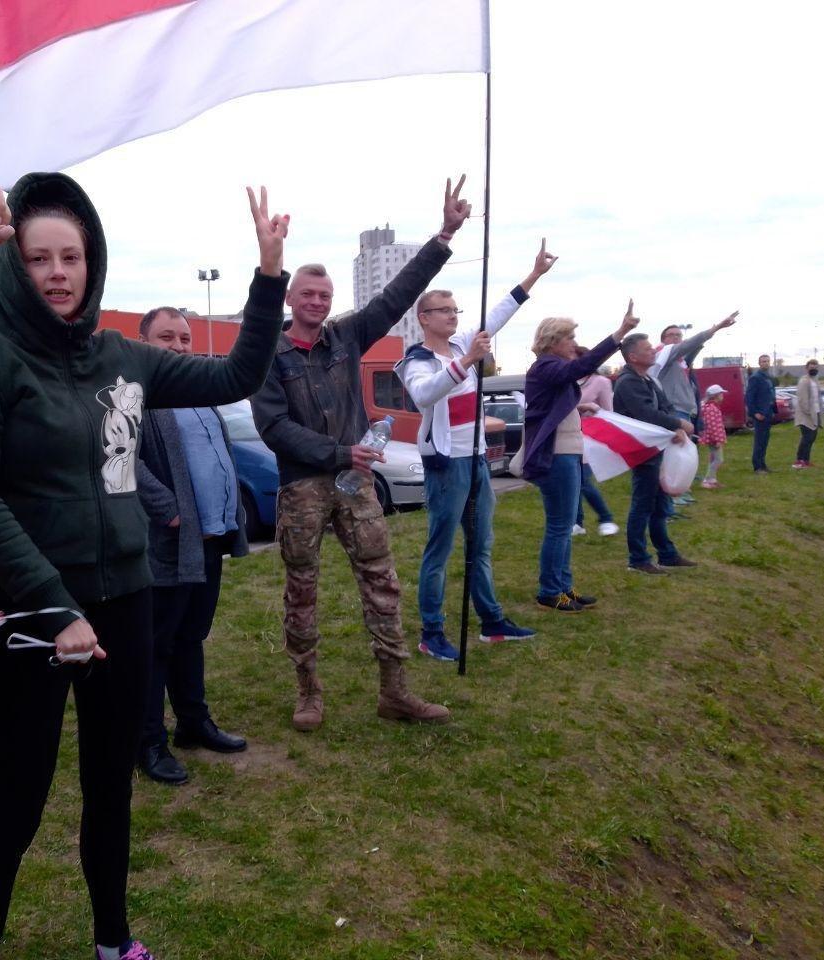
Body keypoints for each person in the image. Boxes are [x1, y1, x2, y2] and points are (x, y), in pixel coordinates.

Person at [0, 180, 290, 960]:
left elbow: (233, 377)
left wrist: (268, 280)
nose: (58, 273)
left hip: (127, 601)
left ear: (92, 262)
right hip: (30, 618)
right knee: (15, 810)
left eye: (72, 256)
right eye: (37, 259)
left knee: (111, 788)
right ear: (12, 266)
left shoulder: (125, 358)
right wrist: (56, 606)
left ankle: (113, 942)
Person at [252, 175, 473, 731]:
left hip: (355, 486)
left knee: (381, 582)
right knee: (301, 592)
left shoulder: (347, 336)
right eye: (308, 295)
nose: (318, 302)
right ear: (289, 298)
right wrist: (340, 451)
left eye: (325, 297)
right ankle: (308, 691)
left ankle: (395, 690)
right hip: (303, 487)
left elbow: (397, 294)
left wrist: (443, 236)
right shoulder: (266, 354)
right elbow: (273, 427)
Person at [396, 240, 554, 660]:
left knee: (481, 545)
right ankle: (432, 632)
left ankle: (492, 622)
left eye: (455, 310)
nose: (453, 315)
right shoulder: (417, 359)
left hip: (476, 462)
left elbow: (499, 313)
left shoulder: (465, 340)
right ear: (424, 318)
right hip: (446, 467)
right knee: (440, 549)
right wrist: (466, 361)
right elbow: (424, 395)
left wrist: (533, 275)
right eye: (444, 309)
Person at [134, 306, 249, 786]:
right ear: (143, 343)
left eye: (184, 337)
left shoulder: (201, 393)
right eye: (167, 338)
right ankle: (148, 741)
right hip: (167, 541)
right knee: (155, 647)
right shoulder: (134, 394)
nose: (180, 346)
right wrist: (169, 508)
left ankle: (193, 723)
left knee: (191, 637)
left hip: (209, 537)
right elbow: (121, 459)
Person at [520, 304, 641, 611]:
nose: (574, 343)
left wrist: (576, 408)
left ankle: (563, 587)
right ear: (552, 341)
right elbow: (580, 367)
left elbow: (551, 408)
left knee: (563, 526)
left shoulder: (549, 368)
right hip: (558, 456)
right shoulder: (547, 366)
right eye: (569, 338)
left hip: (567, 453)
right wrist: (620, 333)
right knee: (560, 526)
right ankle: (550, 591)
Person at [613, 333, 696, 575]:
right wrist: (678, 425)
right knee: (643, 504)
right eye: (648, 349)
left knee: (661, 504)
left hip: (659, 448)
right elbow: (646, 414)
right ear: (633, 357)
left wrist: (676, 425)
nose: (653, 352)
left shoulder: (647, 379)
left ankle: (667, 554)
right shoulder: (627, 382)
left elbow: (666, 406)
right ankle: (637, 559)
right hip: (643, 450)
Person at [649, 314, 737, 507]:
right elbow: (691, 343)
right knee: (675, 453)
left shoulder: (679, 361)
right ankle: (673, 494)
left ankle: (678, 490)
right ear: (663, 340)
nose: (676, 338)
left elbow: (692, 348)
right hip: (674, 410)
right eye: (671, 335)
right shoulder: (665, 353)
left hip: (684, 410)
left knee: (681, 452)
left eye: (679, 335)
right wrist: (716, 328)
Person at [574, 346, 618, 537]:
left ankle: (606, 518)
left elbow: (609, 413)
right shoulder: (569, 381)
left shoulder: (601, 382)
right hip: (569, 435)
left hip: (589, 437)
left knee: (583, 481)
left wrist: (593, 410)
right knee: (572, 481)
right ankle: (577, 522)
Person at [745, 353, 777, 472]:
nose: (766, 363)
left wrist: (773, 409)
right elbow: (749, 397)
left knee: (765, 440)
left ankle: (763, 464)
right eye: (763, 361)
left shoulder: (768, 377)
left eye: (767, 361)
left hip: (768, 413)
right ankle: (757, 466)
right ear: (759, 363)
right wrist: (755, 413)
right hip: (760, 415)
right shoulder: (755, 377)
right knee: (759, 441)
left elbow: (770, 394)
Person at [697, 383, 728, 488]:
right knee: (719, 459)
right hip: (714, 439)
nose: (722, 396)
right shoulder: (711, 409)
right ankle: (707, 480)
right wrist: (717, 440)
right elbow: (712, 425)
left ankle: (712, 479)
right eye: (721, 394)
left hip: (713, 438)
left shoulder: (711, 407)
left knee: (713, 458)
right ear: (715, 396)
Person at [794, 361, 823, 468]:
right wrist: (808, 412)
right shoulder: (804, 381)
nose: (814, 369)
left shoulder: (815, 381)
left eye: (815, 367)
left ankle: (806, 460)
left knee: (812, 438)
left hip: (815, 414)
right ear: (806, 368)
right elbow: (802, 400)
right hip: (805, 416)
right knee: (807, 438)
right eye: (811, 367)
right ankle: (799, 460)